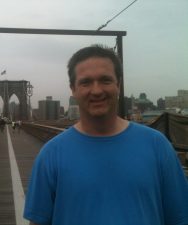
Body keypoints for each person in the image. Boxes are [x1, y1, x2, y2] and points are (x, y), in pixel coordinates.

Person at [23, 45, 188, 225]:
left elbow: (179, 217)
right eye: (86, 82)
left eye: (105, 80)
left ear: (118, 83)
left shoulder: (158, 146)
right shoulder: (50, 155)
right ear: (73, 89)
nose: (96, 91)